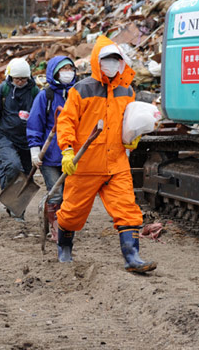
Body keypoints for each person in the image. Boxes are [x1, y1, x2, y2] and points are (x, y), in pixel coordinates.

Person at [54, 35, 157, 273]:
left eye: (115, 59)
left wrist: (132, 137)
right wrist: (68, 151)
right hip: (85, 163)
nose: (111, 64)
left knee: (127, 209)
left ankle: (132, 257)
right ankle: (65, 247)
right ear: (97, 62)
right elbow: (66, 121)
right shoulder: (81, 90)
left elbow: (128, 121)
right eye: (106, 59)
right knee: (71, 213)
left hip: (116, 164)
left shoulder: (127, 90)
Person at [27, 55, 76, 238]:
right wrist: (34, 149)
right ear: (54, 72)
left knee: (70, 196)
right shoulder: (45, 96)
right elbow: (34, 124)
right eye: (63, 70)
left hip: (71, 154)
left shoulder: (76, 95)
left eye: (70, 69)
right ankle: (56, 229)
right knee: (56, 194)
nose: (67, 73)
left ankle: (64, 226)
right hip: (49, 156)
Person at [0, 58, 39, 200]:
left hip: (27, 138)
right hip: (5, 135)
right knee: (13, 165)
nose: (20, 82)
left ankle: (16, 206)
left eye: (23, 79)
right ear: (11, 77)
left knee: (27, 173)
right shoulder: (3, 90)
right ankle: (9, 197)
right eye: (17, 79)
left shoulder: (35, 92)